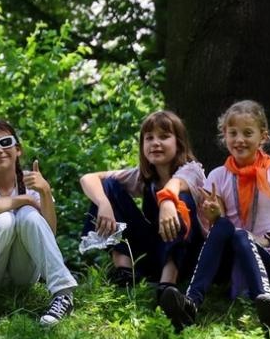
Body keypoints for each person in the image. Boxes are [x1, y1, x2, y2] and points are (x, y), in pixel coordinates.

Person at [159, 100, 270, 334]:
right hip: (231, 263)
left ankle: (267, 302)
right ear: (224, 136)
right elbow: (217, 233)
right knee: (229, 228)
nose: (239, 140)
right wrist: (215, 216)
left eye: (248, 133)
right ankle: (191, 303)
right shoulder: (218, 176)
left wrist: (266, 240)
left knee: (241, 235)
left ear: (263, 136)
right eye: (233, 133)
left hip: (269, 261)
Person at [0, 118, 77, 327]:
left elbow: (48, 232)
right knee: (3, 218)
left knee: (28, 215)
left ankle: (63, 295)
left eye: (5, 142)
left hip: (23, 274)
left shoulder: (32, 181)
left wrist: (44, 191)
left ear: (18, 150)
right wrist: (24, 199)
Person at [79, 109, 205, 295]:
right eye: (149, 138)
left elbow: (176, 184)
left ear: (178, 143)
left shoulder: (192, 170)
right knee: (108, 186)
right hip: (156, 249)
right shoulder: (144, 176)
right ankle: (125, 274)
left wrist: (167, 203)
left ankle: (167, 286)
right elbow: (88, 178)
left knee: (181, 201)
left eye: (164, 136)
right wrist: (104, 204)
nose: (156, 143)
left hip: (189, 254)